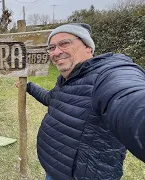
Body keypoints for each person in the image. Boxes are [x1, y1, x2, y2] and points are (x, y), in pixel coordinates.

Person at [16, 23, 145, 180]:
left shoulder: (108, 73)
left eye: (64, 43)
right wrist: (28, 87)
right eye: (51, 47)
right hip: (55, 171)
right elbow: (52, 99)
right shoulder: (68, 79)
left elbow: (128, 98)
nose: (56, 52)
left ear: (88, 47)